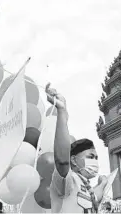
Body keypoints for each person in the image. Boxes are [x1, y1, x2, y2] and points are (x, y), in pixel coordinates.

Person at [45, 83, 109, 213]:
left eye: (96, 157)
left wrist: (102, 184)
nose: (95, 161)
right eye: (90, 156)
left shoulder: (85, 186)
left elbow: (95, 196)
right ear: (73, 160)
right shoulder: (68, 182)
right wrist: (61, 110)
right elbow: (62, 161)